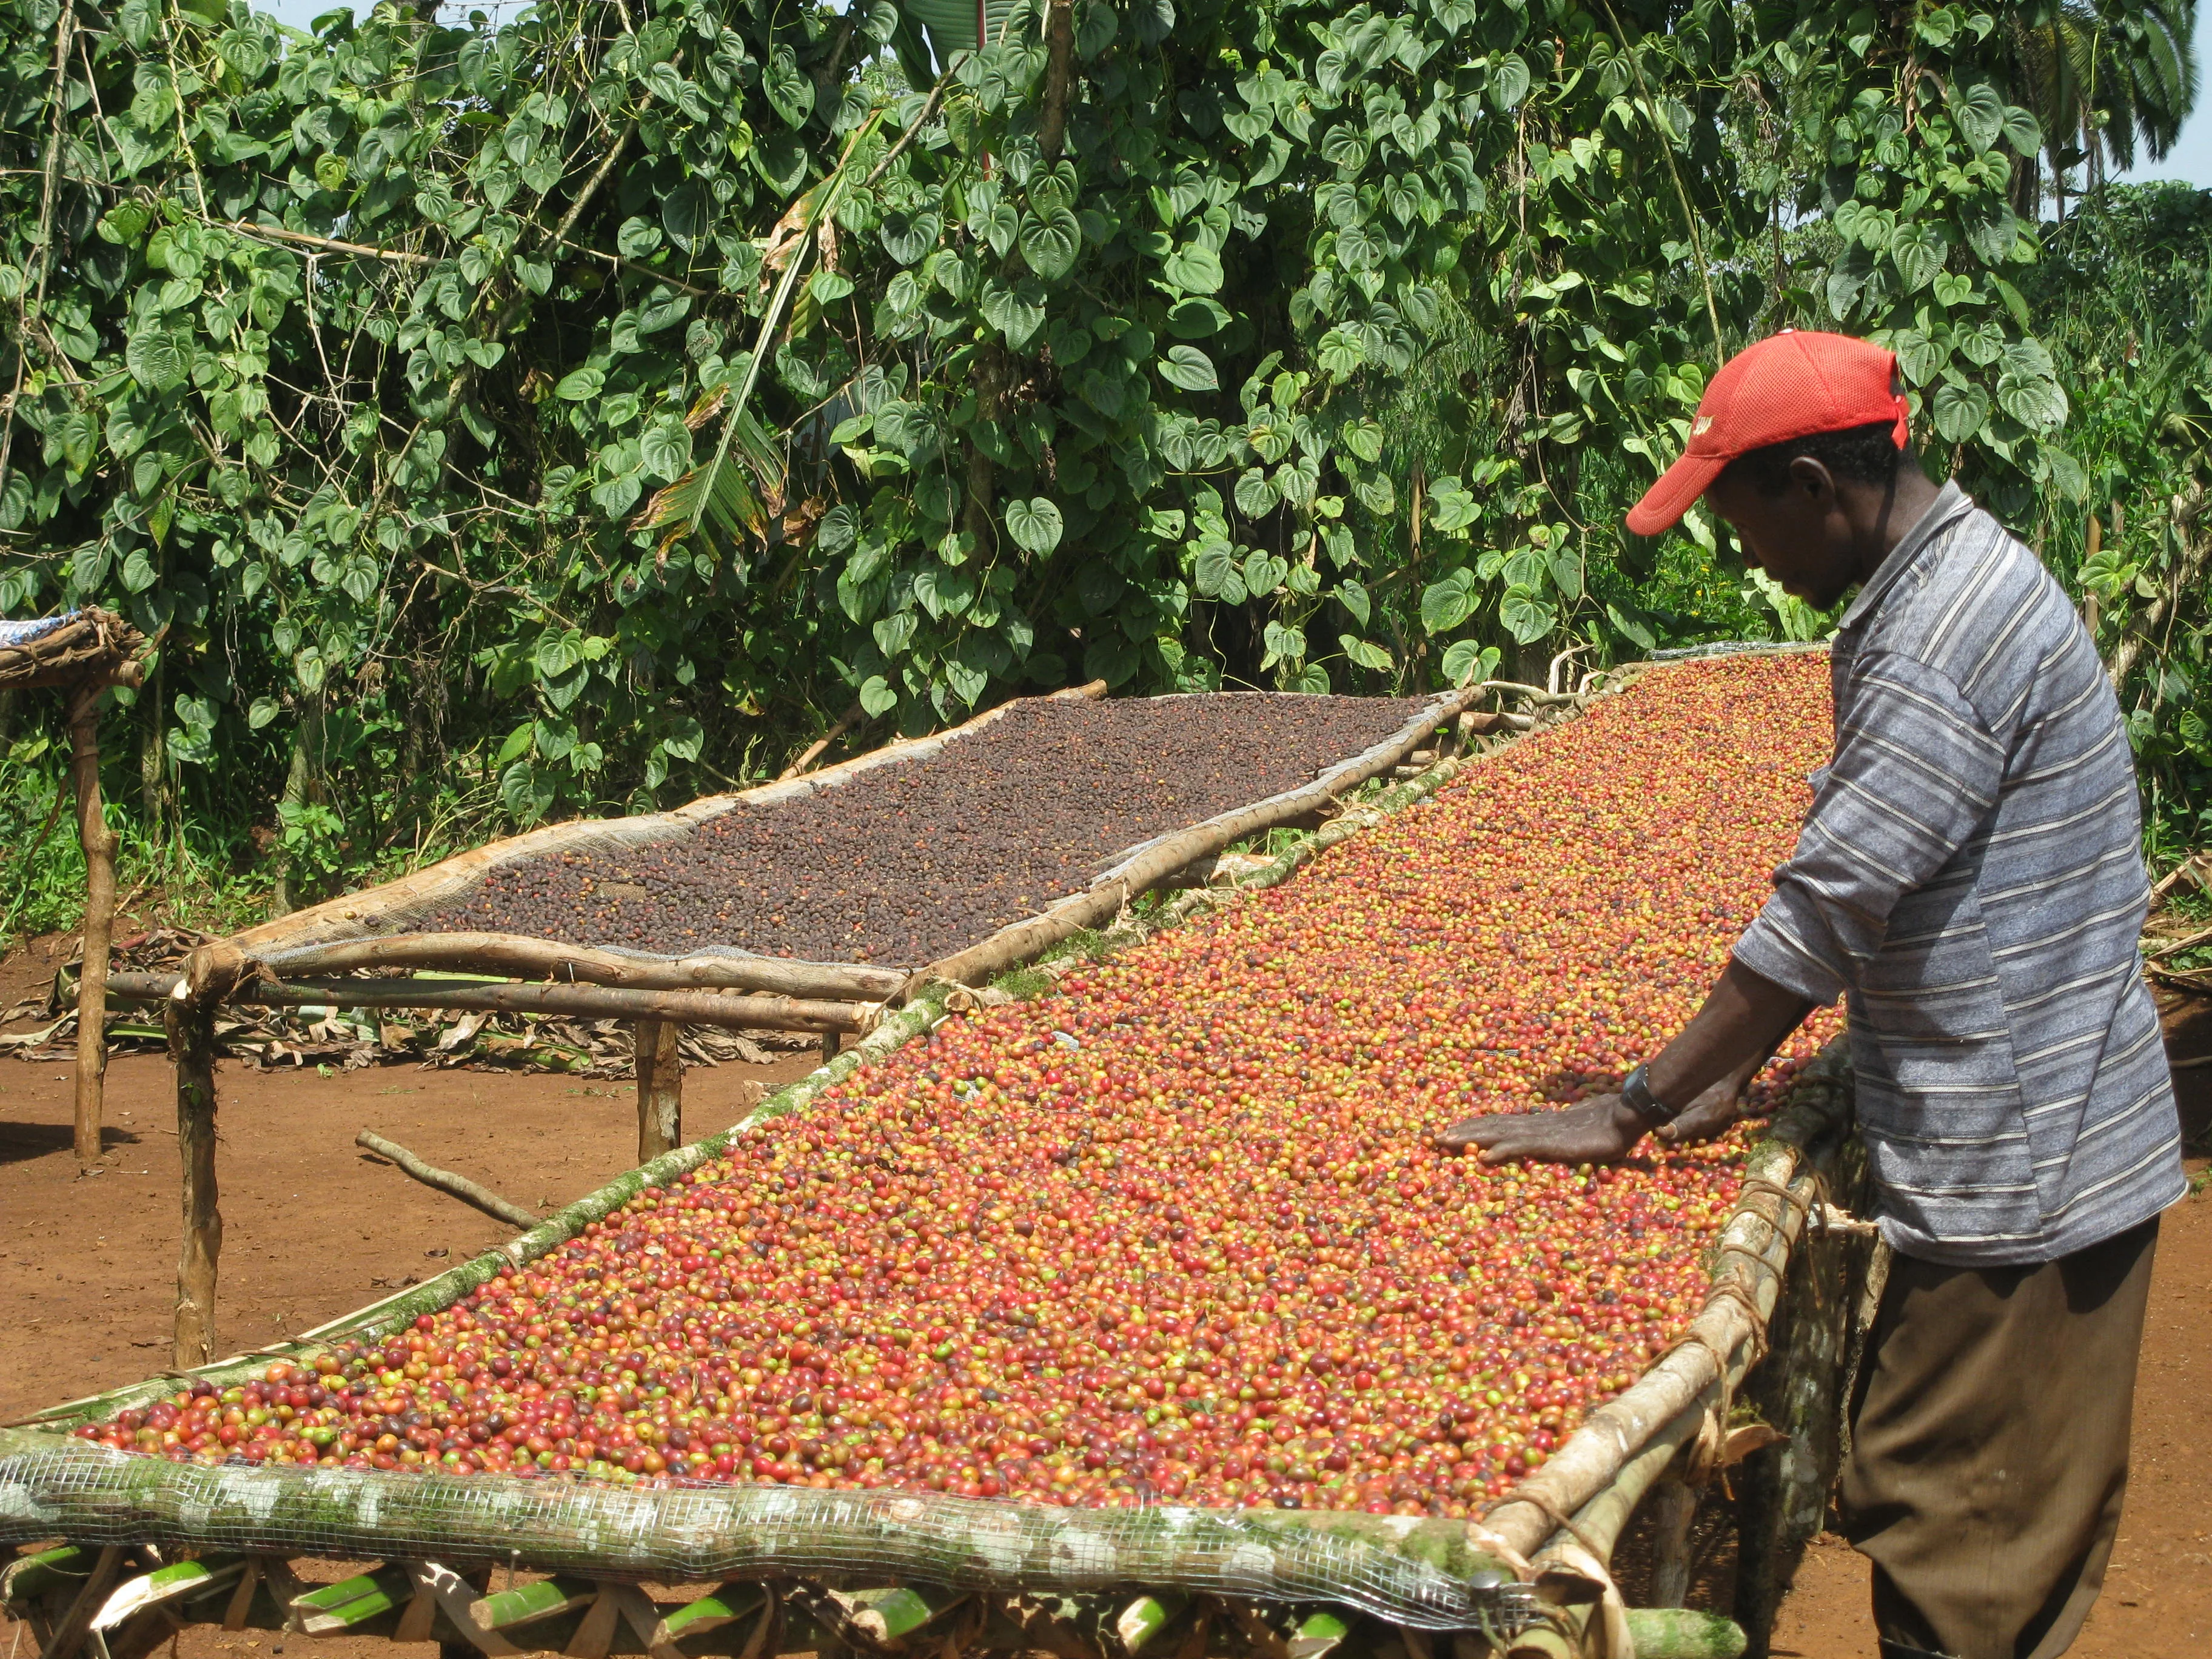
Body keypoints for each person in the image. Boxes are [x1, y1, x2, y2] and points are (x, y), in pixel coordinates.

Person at [1439, 330, 2185, 1659]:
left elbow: (1829, 908)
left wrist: (1640, 1101)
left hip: (2027, 1166)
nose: (1750, 563)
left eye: (1745, 531)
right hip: (2040, 1123)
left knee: (1962, 1536)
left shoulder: (1935, 645)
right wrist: (1740, 1066)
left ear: (1817, 489)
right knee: (1951, 1506)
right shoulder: (1950, 575)